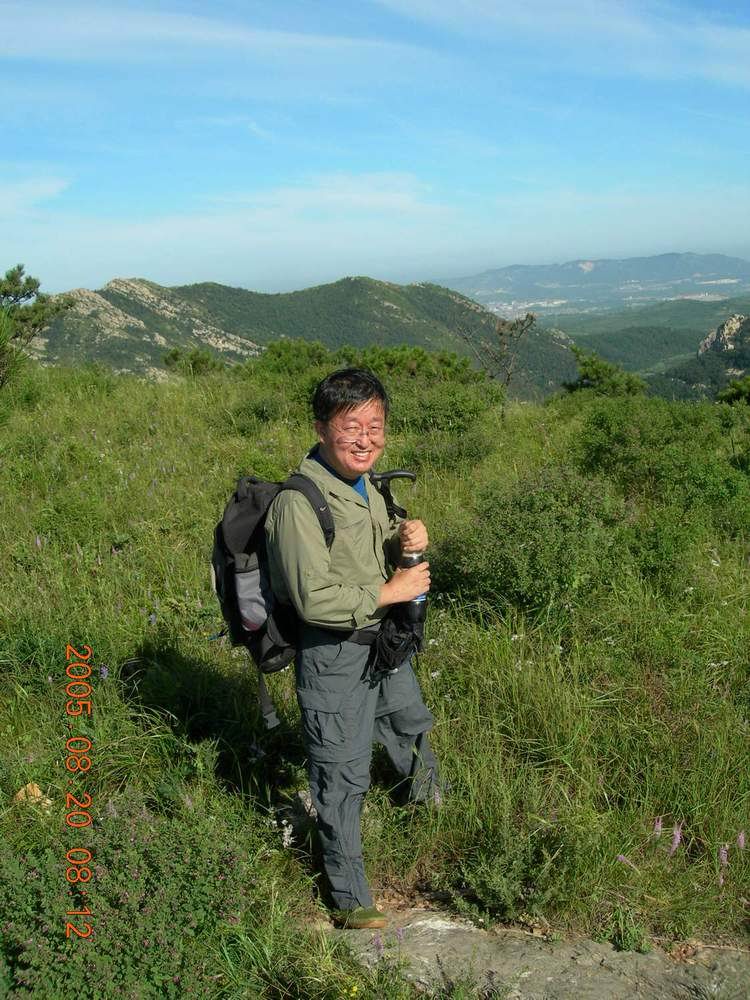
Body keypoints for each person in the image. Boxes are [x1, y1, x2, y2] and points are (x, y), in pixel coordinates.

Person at [264, 367, 443, 930]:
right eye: (351, 426)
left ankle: (433, 816)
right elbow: (313, 598)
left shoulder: (366, 485)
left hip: (382, 641)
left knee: (408, 724)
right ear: (322, 429)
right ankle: (349, 898)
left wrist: (406, 540)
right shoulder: (298, 502)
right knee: (340, 772)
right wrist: (392, 591)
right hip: (334, 654)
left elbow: (370, 548)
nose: (365, 439)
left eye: (375, 425)